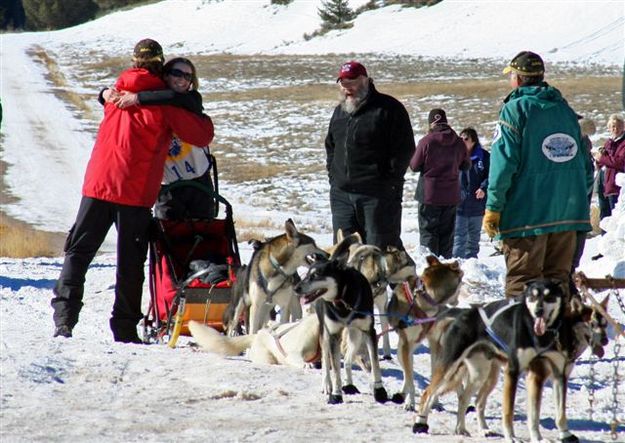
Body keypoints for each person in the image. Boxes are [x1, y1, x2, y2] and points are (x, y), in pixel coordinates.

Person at [51, 39, 214, 343]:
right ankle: (124, 328)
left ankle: (64, 318)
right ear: (161, 66)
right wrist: (175, 100)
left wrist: (107, 94)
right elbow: (203, 134)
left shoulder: (116, 91)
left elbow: (107, 96)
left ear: (134, 62)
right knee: (129, 262)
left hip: (98, 185)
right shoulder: (164, 105)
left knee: (79, 252)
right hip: (134, 193)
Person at [483, 51, 593, 299]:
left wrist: (493, 207)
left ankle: (521, 337)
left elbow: (502, 166)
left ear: (518, 79)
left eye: (511, 75)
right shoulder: (565, 111)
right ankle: (556, 337)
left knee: (523, 284)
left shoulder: (514, 110)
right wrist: (575, 202)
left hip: (526, 218)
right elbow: (586, 167)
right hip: (567, 217)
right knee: (558, 284)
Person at [103, 57, 215, 220]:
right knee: (168, 239)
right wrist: (105, 93)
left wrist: (137, 98)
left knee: (203, 237)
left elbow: (172, 97)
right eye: (177, 73)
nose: (182, 79)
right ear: (166, 75)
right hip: (167, 189)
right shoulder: (151, 104)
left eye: (188, 76)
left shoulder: (192, 101)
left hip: (200, 183)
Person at [324, 61, 415, 249]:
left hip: (377, 196)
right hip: (342, 196)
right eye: (343, 83)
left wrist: (389, 181)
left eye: (352, 82)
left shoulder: (389, 109)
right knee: (345, 254)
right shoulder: (340, 111)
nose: (347, 87)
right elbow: (331, 146)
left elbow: (404, 149)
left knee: (380, 251)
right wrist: (334, 177)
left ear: (365, 80)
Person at [410, 109, 471, 259]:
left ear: (431, 123)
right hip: (450, 195)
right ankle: (444, 268)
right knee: (447, 235)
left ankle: (430, 267)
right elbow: (466, 165)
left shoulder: (426, 141)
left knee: (428, 233)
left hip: (429, 195)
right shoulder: (458, 142)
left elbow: (414, 166)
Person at [452, 127, 490, 259]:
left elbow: (491, 176)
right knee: (459, 238)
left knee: (474, 239)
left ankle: (472, 267)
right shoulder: (455, 156)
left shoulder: (484, 157)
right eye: (460, 139)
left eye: (466, 139)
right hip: (459, 204)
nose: (462, 141)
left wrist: (483, 188)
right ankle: (457, 266)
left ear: (473, 141)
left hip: (477, 205)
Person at [594, 114, 625, 218]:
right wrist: (599, 159)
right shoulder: (608, 142)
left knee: (615, 217)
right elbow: (603, 162)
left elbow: (620, 162)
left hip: (616, 186)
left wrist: (602, 158)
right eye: (612, 126)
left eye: (617, 126)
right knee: (604, 216)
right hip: (604, 184)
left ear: (623, 127)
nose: (614, 129)